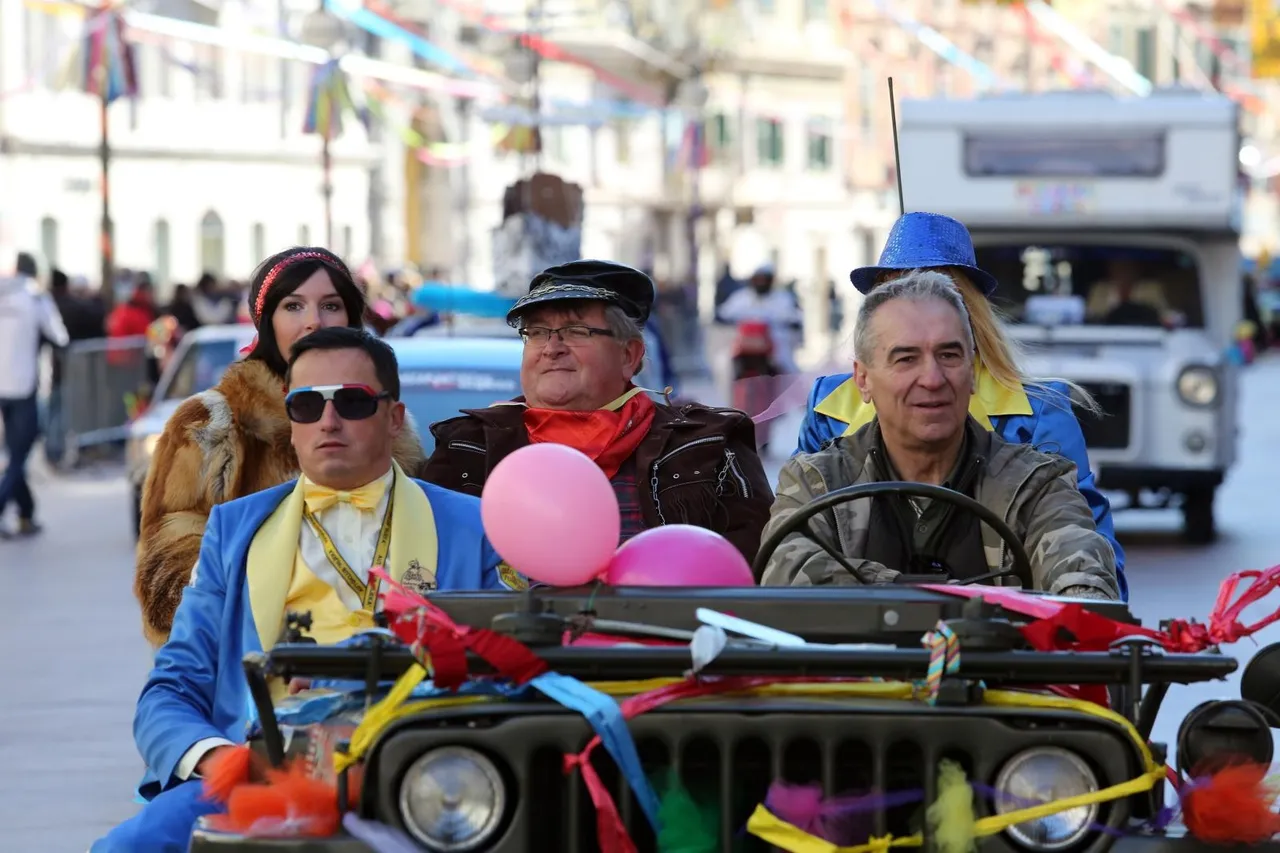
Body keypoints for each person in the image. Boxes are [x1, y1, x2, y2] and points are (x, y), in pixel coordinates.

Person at [92, 327, 516, 853]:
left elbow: (511, 675)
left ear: (394, 417)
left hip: (424, 777)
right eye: (307, 404)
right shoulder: (232, 531)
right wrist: (221, 761)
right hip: (258, 779)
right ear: (291, 425)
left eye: (354, 403)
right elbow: (169, 691)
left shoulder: (476, 527)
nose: (328, 421)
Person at [797, 212, 1127, 600]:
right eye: (900, 288)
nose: (931, 380)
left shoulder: (1037, 420)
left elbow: (1081, 550)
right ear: (864, 376)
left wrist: (1076, 595)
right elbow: (793, 556)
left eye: (936, 287)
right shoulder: (828, 412)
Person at [135, 246, 427, 648]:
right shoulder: (211, 425)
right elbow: (166, 579)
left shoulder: (388, 424)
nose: (313, 322)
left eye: (330, 305)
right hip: (254, 670)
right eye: (293, 306)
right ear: (266, 320)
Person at [420, 260, 773, 564]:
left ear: (629, 356)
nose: (551, 348)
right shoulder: (466, 444)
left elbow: (752, 575)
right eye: (538, 332)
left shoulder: (710, 444)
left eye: (575, 331)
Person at [0, 252, 68, 538]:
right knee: (20, 454)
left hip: (2, 386)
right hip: (26, 386)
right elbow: (60, 335)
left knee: (17, 452)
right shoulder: (36, 298)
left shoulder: (3, 292)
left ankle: (27, 512)